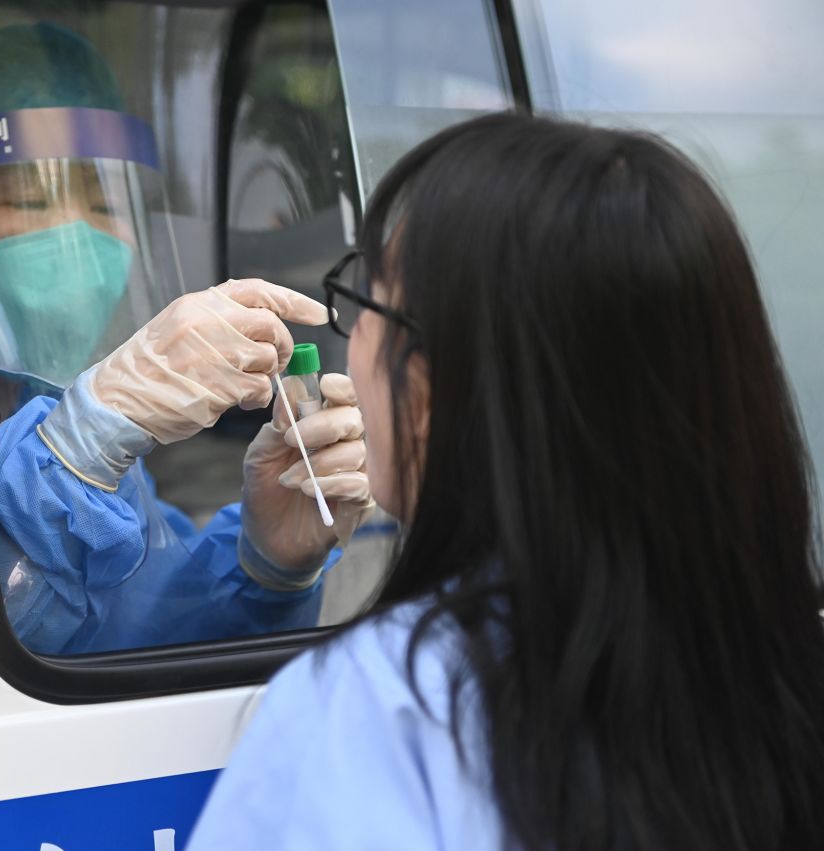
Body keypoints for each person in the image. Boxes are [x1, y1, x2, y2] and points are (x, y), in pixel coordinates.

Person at [187, 112, 824, 849]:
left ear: (427, 388)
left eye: (364, 297)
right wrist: (265, 572)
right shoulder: (780, 678)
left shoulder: (374, 711)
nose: (347, 339)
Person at [0, 22, 374, 654]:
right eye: (32, 201)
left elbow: (147, 645)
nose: (78, 238)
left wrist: (267, 567)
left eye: (109, 206)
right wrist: (70, 458)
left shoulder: (111, 465)